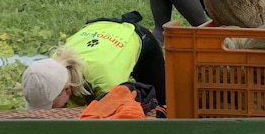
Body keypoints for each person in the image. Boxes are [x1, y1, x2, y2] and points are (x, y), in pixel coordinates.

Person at [22, 11, 166, 110]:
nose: (49, 112)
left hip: (135, 37)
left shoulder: (107, 81)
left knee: (164, 102)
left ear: (67, 89)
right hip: (96, 28)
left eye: (51, 106)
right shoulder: (50, 70)